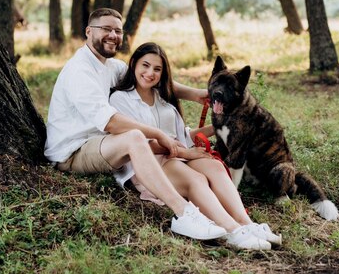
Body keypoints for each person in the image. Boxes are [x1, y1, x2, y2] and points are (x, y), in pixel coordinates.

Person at [45, 8, 226, 242]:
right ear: (89, 31)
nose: (112, 35)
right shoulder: (79, 70)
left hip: (98, 142)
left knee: (136, 137)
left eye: (117, 31)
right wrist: (158, 133)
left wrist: (197, 95)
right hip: (72, 151)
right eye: (106, 29)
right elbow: (110, 122)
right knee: (135, 137)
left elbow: (149, 79)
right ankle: (184, 214)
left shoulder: (111, 66)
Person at [109, 42, 282, 250]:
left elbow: (181, 136)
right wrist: (187, 153)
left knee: (216, 167)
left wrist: (219, 124)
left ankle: (246, 223)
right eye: (145, 65)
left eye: (157, 69)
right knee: (196, 178)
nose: (150, 73)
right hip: (150, 162)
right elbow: (142, 144)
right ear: (134, 64)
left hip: (178, 155)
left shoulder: (162, 97)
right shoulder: (121, 99)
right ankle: (232, 231)